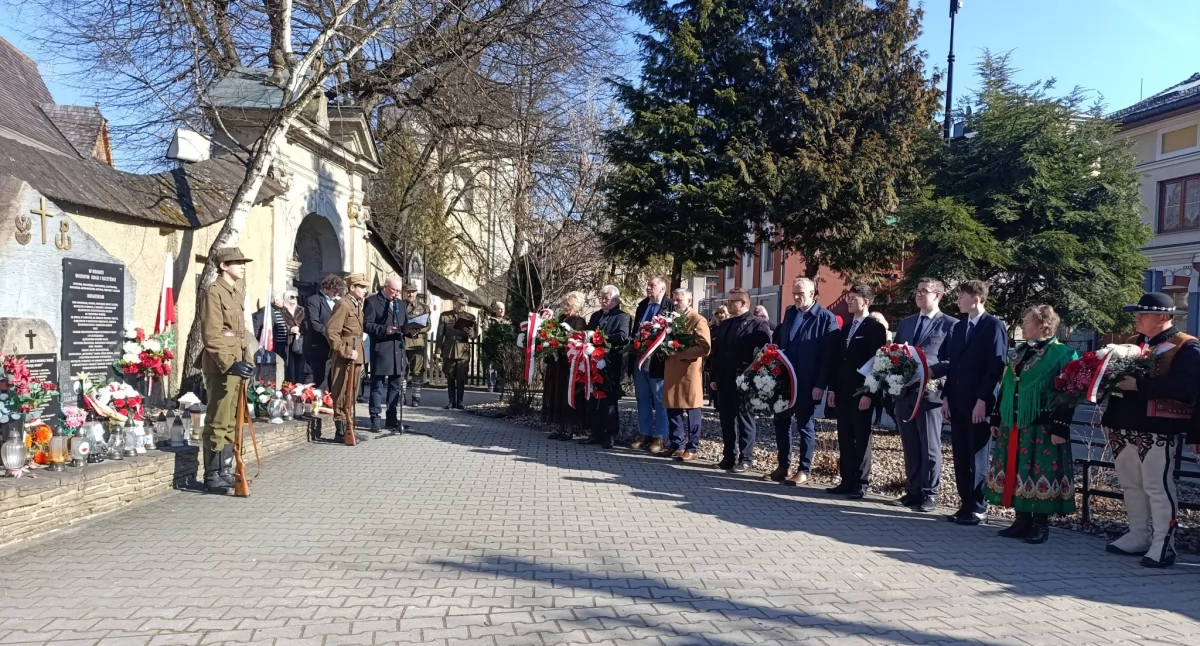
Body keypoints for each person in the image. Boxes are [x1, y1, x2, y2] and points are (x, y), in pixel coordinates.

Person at [1103, 292, 1200, 568]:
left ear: (1165, 318)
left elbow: (1188, 389)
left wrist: (1140, 386)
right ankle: (1138, 535)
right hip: (1124, 425)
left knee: (1157, 486)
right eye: (1137, 313)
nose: (1138, 318)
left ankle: (1163, 544)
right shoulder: (1132, 344)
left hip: (1158, 428)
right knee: (1131, 484)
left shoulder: (1186, 347)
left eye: (1144, 314)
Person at [987, 305, 1078, 545]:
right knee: (1017, 470)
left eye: (1027, 321)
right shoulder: (1018, 352)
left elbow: (1070, 393)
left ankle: (1040, 524)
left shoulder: (1064, 355)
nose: (1023, 325)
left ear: (1043, 326)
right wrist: (996, 417)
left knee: (1039, 471)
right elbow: (1006, 386)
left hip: (1042, 426)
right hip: (1014, 424)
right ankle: (1021, 520)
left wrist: (1061, 426)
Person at [932, 280, 1007, 526]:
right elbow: (954, 365)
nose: (957, 301)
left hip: (978, 402)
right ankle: (965, 503)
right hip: (958, 400)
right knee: (961, 454)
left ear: (975, 299)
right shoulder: (961, 326)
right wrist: (946, 397)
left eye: (961, 296)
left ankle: (978, 506)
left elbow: (995, 367)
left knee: (977, 455)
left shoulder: (993, 326)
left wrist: (983, 400)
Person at [892, 278, 957, 512]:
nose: (919, 295)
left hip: (930, 394)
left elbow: (952, 360)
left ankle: (930, 493)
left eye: (924, 291)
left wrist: (930, 371)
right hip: (905, 392)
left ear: (938, 295)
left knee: (929, 445)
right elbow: (895, 353)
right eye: (917, 291)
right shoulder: (907, 323)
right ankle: (913, 490)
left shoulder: (950, 324)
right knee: (910, 443)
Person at [196, 248, 256, 494]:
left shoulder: (236, 292)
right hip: (222, 366)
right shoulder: (214, 293)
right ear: (223, 266)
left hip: (237, 363)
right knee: (218, 420)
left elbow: (239, 334)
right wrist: (229, 363)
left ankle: (224, 470)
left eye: (243, 262)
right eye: (237, 262)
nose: (242, 266)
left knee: (233, 420)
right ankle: (212, 475)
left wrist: (247, 359)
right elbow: (211, 334)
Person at [769, 277, 839, 486]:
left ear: (812, 293)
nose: (797, 297)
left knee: (805, 426)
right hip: (784, 380)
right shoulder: (790, 313)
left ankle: (804, 469)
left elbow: (828, 356)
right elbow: (782, 341)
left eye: (801, 293)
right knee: (780, 422)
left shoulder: (826, 318)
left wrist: (820, 384)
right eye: (794, 294)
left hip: (808, 382)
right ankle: (783, 465)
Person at [826, 285, 887, 499]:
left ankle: (861, 482)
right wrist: (832, 389)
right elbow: (837, 361)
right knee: (844, 436)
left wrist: (869, 393)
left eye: (853, 298)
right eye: (848, 298)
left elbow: (876, 363)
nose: (849, 301)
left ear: (866, 302)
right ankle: (846, 480)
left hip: (861, 392)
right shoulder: (847, 328)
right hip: (843, 391)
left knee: (861, 437)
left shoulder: (874, 328)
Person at [710, 288, 771, 473]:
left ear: (744, 303)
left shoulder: (758, 324)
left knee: (745, 419)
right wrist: (714, 377)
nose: (729, 304)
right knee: (726, 419)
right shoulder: (725, 324)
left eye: (732, 301)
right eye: (728, 301)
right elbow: (717, 353)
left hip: (745, 378)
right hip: (725, 378)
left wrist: (755, 377)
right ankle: (729, 456)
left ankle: (746, 458)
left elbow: (765, 354)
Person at [659, 289, 711, 461]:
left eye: (679, 300)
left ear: (689, 301)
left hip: (688, 373)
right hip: (672, 371)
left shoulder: (698, 320)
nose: (675, 303)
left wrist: (679, 353)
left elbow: (705, 347)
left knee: (692, 411)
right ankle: (676, 444)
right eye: (674, 300)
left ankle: (692, 447)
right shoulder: (671, 319)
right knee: (672, 408)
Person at [584, 285, 632, 448]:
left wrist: (600, 338)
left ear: (616, 300)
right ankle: (595, 432)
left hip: (610, 363)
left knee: (609, 400)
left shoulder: (623, 317)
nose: (603, 300)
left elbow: (623, 337)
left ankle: (610, 435)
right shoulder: (596, 315)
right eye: (602, 297)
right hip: (593, 361)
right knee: (593, 397)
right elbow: (589, 333)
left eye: (607, 298)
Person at [629, 276, 672, 452]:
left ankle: (660, 436)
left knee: (660, 399)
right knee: (642, 398)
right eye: (648, 285)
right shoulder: (643, 305)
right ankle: (644, 433)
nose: (648, 288)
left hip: (657, 360)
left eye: (652, 285)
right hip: (640, 358)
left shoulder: (669, 306)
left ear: (662, 288)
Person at [326, 273, 369, 445]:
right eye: (362, 287)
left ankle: (349, 426)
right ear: (352, 287)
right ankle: (340, 430)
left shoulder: (357, 304)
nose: (365, 290)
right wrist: (344, 351)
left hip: (357, 352)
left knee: (352, 391)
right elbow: (331, 332)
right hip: (346, 354)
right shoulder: (343, 304)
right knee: (342, 390)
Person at [363, 275, 408, 431]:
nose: (396, 293)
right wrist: (384, 330)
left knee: (395, 387)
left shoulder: (400, 304)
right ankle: (375, 419)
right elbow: (366, 325)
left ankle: (392, 418)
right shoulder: (373, 301)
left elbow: (405, 323)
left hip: (398, 350)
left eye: (398, 291)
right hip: (382, 349)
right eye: (394, 290)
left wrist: (411, 330)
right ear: (385, 286)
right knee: (377, 386)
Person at [544, 291, 588, 437]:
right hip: (558, 364)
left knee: (568, 395)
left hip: (570, 365)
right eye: (564, 304)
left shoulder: (579, 321)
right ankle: (558, 426)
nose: (565, 307)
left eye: (568, 304)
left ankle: (569, 428)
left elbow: (577, 340)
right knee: (557, 394)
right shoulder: (560, 319)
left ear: (575, 305)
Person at [437, 293, 477, 409]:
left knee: (461, 376)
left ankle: (460, 401)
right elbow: (440, 335)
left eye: (464, 305)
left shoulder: (470, 318)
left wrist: (470, 332)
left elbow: (474, 336)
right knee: (450, 375)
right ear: (454, 303)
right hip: (449, 348)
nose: (461, 307)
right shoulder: (445, 316)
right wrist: (438, 350)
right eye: (459, 304)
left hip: (463, 348)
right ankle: (451, 401)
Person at [304, 274, 344, 388]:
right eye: (334, 290)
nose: (336, 293)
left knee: (334, 377)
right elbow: (314, 323)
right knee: (318, 378)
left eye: (338, 291)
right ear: (325, 288)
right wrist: (330, 334)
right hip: (318, 345)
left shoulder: (338, 302)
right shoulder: (313, 300)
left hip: (335, 346)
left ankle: (331, 401)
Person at [403, 282, 430, 406]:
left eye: (413, 291)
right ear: (404, 292)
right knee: (401, 371)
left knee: (417, 372)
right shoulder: (399, 305)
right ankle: (401, 396)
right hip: (402, 342)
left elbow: (428, 325)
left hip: (417, 343)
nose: (410, 294)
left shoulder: (424, 308)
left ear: (416, 292)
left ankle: (416, 398)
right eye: (408, 291)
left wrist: (419, 330)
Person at [251, 295, 288, 382]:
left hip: (282, 346)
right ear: (275, 300)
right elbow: (256, 326)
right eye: (281, 298)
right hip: (272, 346)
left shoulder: (281, 311)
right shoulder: (265, 311)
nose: (283, 300)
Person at [867, 311, 892, 427]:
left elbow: (887, 348)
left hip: (881, 365)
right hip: (870, 365)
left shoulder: (887, 334)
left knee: (878, 394)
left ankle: (878, 417)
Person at [706, 305, 731, 408]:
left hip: (723, 357)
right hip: (711, 356)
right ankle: (712, 398)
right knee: (710, 377)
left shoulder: (728, 327)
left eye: (722, 313)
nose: (720, 315)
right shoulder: (711, 327)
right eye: (717, 313)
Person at [280, 289, 307, 384]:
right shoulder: (282, 310)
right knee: (288, 365)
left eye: (296, 297)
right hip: (287, 341)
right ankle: (289, 385)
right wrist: (290, 329)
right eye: (292, 297)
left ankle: (298, 384)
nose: (294, 299)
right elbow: (279, 323)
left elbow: (306, 323)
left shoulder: (302, 310)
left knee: (299, 365)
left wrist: (300, 329)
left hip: (299, 340)